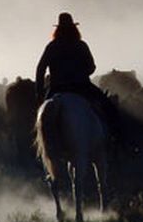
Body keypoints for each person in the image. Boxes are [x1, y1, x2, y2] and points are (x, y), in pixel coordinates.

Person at [35, 12, 122, 141]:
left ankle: (38, 146)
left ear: (58, 30)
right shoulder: (81, 45)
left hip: (57, 88)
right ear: (74, 28)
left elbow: (40, 69)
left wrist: (40, 93)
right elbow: (92, 67)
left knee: (41, 119)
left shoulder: (52, 46)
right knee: (109, 108)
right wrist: (80, 73)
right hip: (82, 87)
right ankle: (120, 141)